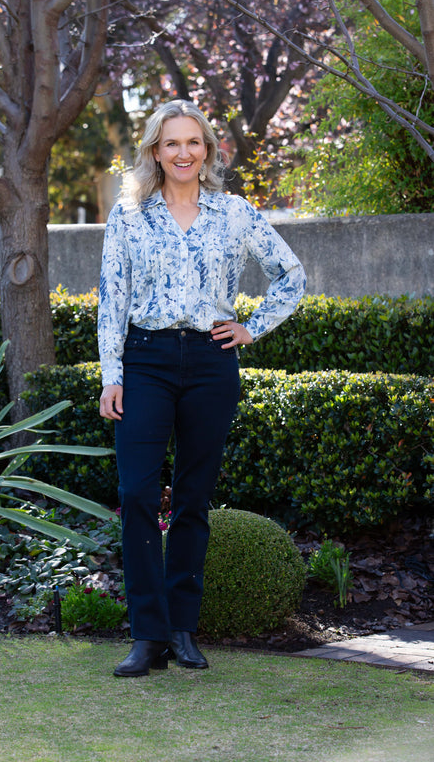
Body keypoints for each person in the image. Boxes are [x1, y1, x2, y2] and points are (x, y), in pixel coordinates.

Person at [98, 99, 306, 677]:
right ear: (154, 153)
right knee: (138, 492)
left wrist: (251, 327)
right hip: (146, 359)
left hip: (212, 362)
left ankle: (184, 629)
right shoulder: (130, 215)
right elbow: (112, 297)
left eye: (193, 142)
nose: (183, 152)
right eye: (171, 143)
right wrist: (111, 375)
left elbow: (293, 275)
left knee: (193, 499)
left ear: (208, 150)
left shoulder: (235, 213)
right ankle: (148, 635)